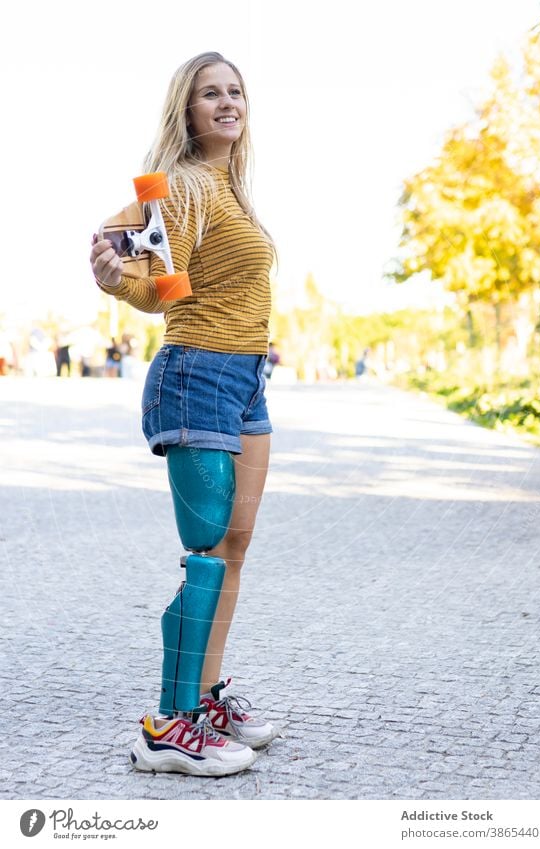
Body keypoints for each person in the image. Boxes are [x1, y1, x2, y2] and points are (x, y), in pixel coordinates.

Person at [90, 53, 279, 776]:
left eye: (235, 91)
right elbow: (152, 284)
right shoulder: (186, 184)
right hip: (196, 373)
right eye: (210, 94)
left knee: (233, 547)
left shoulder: (232, 188)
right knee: (206, 549)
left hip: (244, 379)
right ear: (188, 110)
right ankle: (167, 726)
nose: (227, 102)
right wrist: (117, 280)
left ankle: (203, 698)